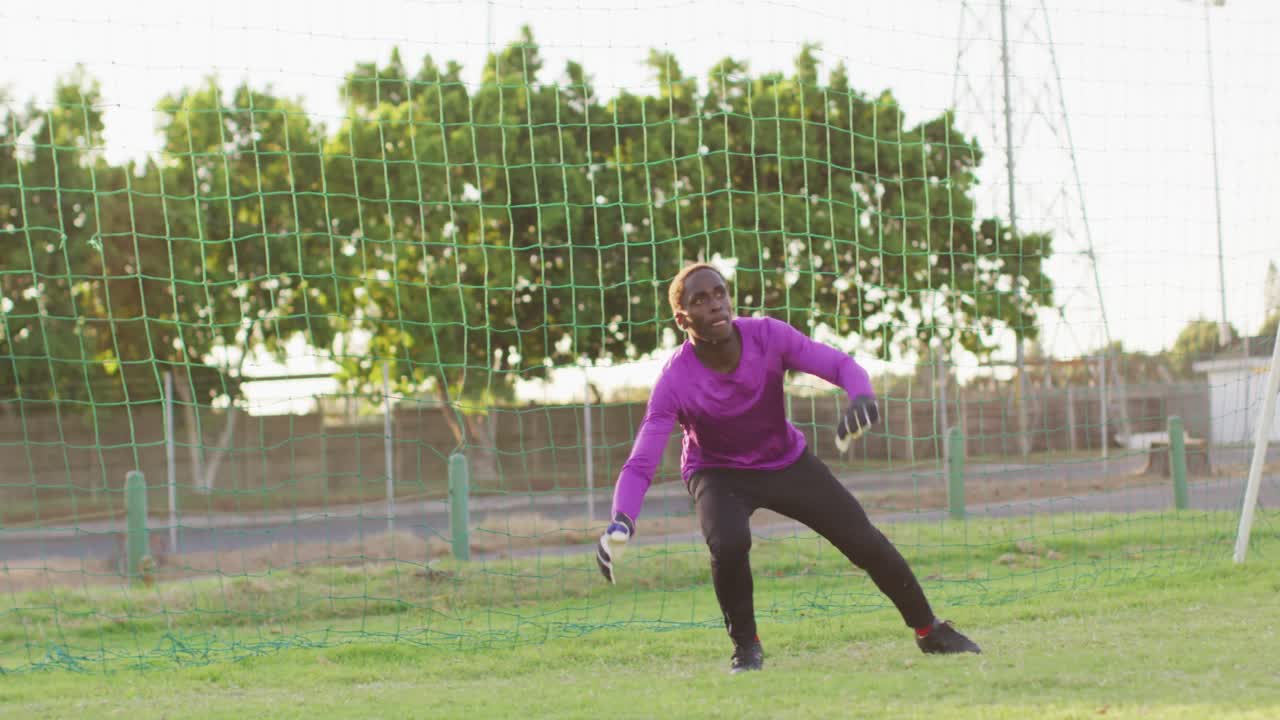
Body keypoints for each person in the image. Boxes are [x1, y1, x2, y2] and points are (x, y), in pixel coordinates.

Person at [594, 263, 981, 673]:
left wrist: (862, 397)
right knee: (728, 542)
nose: (715, 304)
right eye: (699, 300)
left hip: (785, 461)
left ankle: (929, 630)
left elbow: (839, 365)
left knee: (862, 539)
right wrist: (622, 519)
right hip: (718, 473)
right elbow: (642, 459)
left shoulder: (767, 335)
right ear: (682, 318)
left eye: (720, 292)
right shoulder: (675, 379)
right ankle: (746, 648)